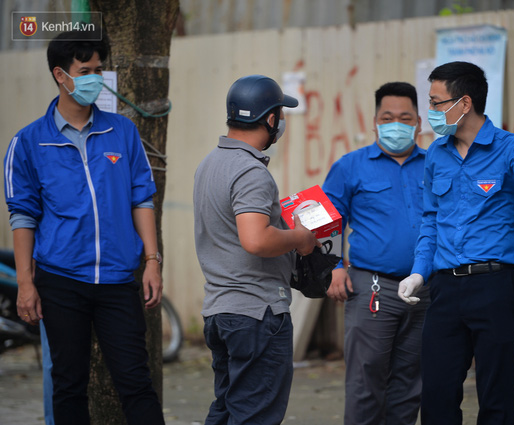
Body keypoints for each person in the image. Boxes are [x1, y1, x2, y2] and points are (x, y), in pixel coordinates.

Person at [397, 61, 514, 425]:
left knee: (496, 397)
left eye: (435, 102)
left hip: (494, 287)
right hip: (445, 289)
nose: (429, 112)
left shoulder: (511, 147)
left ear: (464, 104)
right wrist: (419, 271)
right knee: (437, 395)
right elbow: (431, 219)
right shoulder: (437, 154)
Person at [3, 30, 165, 425]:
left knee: (135, 382)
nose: (95, 77)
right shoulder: (28, 143)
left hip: (117, 280)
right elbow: (23, 215)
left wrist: (152, 261)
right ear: (61, 75)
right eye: (85, 70)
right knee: (69, 384)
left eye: (98, 69)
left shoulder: (122, 132)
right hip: (60, 282)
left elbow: (141, 198)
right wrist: (26, 283)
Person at [193, 74, 320, 424]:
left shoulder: (209, 164)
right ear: (269, 119)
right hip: (256, 313)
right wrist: (300, 238)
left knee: (227, 408)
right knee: (255, 415)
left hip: (220, 311)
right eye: (280, 114)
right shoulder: (250, 172)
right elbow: (256, 239)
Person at [322, 81, 429, 425]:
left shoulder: (435, 165)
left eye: (404, 116)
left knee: (411, 383)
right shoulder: (350, 166)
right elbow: (326, 222)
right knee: (365, 381)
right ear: (375, 121)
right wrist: (335, 267)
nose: (396, 123)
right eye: (388, 117)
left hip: (426, 289)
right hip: (372, 288)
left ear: (418, 122)